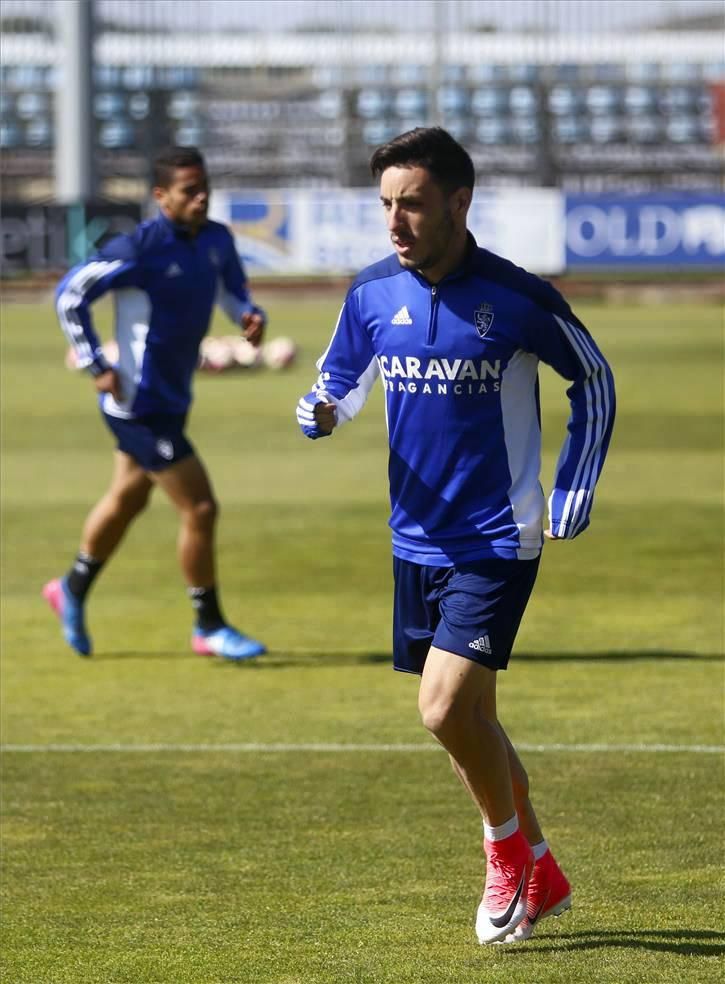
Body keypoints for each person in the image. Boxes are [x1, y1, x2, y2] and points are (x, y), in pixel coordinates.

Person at [296, 128, 615, 944]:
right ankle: (542, 868)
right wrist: (322, 409)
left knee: (441, 712)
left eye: (411, 205)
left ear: (457, 204)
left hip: (497, 539)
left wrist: (575, 480)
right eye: (385, 206)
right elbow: (341, 378)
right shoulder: (370, 293)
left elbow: (594, 379)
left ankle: (503, 856)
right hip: (415, 541)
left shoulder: (515, 297)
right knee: (473, 724)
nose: (394, 222)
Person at [44, 146, 266, 662]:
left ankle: (70, 588)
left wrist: (248, 315)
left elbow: (232, 291)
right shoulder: (139, 247)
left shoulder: (215, 239)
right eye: (189, 190)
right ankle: (207, 625)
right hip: (135, 404)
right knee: (201, 507)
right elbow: (69, 294)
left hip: (173, 397)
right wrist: (96, 362)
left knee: (128, 498)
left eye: (204, 186)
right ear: (161, 196)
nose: (201, 197)